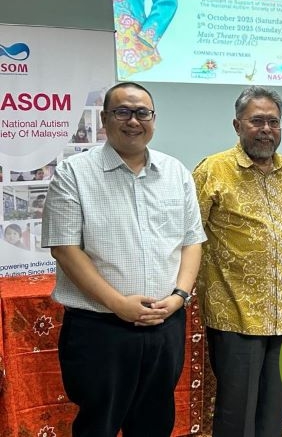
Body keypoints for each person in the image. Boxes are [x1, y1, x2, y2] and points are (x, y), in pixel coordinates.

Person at [41, 81, 206, 437]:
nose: (133, 121)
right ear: (105, 119)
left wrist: (179, 297)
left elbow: (192, 241)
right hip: (100, 329)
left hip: (165, 325)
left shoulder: (176, 172)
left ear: (153, 119)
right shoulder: (74, 173)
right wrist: (118, 304)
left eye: (142, 113)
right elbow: (65, 249)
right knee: (97, 425)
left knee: (154, 423)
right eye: (122, 112)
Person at [193, 86, 282, 437]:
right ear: (237, 125)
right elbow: (187, 236)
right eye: (257, 121)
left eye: (274, 121)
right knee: (236, 414)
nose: (266, 129)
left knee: (274, 411)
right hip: (236, 314)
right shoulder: (213, 170)